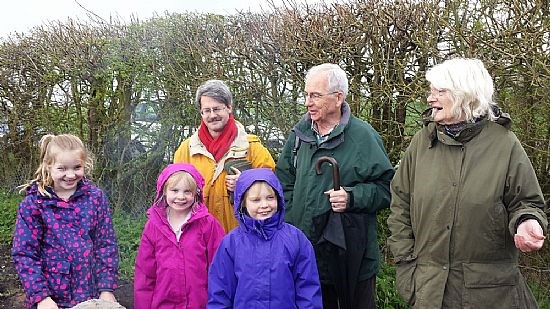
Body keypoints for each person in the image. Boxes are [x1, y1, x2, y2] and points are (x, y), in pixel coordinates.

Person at [387, 58, 548, 308]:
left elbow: (526, 202)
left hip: (490, 295)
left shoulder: (504, 143)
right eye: (431, 91)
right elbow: (400, 203)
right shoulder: (421, 143)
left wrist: (527, 221)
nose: (430, 98)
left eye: (440, 91)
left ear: (466, 95)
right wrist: (406, 263)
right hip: (428, 291)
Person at [275, 63, 395, 309]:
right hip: (305, 254)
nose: (308, 102)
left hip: (351, 255)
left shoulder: (363, 137)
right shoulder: (299, 136)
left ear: (338, 97)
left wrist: (352, 198)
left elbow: (387, 189)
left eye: (315, 95)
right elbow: (283, 181)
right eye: (306, 94)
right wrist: (292, 216)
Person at [11, 134, 119, 309]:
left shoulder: (95, 198)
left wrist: (106, 288)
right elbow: (25, 254)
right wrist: (41, 297)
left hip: (89, 295)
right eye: (62, 169)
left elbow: (105, 245)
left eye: (77, 167)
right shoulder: (34, 204)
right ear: (48, 166)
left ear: (85, 164)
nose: (70, 175)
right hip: (52, 299)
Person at [208, 168, 322, 308]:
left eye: (270, 198)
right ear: (243, 202)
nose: (264, 205)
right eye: (256, 200)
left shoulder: (296, 240)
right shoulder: (231, 243)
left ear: (278, 198)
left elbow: (308, 289)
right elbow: (220, 292)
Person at [173, 79, 275, 233]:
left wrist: (245, 185)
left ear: (229, 108)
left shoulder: (252, 147)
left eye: (217, 109)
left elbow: (273, 189)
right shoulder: (186, 150)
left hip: (242, 236)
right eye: (207, 111)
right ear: (201, 112)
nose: (212, 115)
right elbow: (172, 193)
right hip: (199, 238)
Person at [134, 163, 225, 309]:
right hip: (163, 304)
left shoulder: (208, 224)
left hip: (199, 303)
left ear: (196, 193)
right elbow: (145, 274)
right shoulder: (154, 226)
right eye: (174, 190)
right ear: (164, 191)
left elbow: (220, 269)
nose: (180, 197)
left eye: (187, 191)